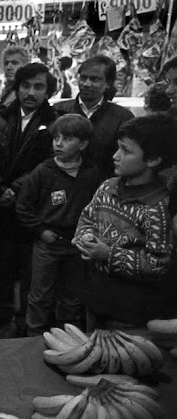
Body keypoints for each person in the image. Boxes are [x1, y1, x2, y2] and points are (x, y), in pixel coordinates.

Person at [72, 115, 176, 329]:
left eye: (126, 151)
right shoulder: (107, 187)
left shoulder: (157, 208)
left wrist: (107, 254)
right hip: (96, 294)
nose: (115, 156)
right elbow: (88, 218)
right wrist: (86, 238)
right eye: (117, 148)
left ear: (153, 160)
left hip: (130, 309)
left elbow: (159, 265)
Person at [0, 63, 58, 332]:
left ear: (48, 91)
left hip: (32, 207)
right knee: (0, 263)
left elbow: (49, 163)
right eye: (25, 85)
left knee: (29, 269)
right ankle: (3, 310)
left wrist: (16, 189)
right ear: (17, 87)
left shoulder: (54, 122)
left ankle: (24, 320)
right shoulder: (0, 117)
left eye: (38, 86)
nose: (30, 92)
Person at [16, 114, 102, 336]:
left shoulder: (91, 174)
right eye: (56, 137)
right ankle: (33, 337)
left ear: (82, 144)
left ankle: (69, 340)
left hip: (77, 246)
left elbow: (98, 209)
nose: (58, 143)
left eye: (67, 139)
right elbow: (23, 206)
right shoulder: (43, 172)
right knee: (40, 296)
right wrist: (41, 231)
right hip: (48, 245)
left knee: (72, 298)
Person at [54, 55, 134, 178]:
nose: (86, 84)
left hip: (103, 187)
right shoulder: (59, 111)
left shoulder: (122, 118)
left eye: (94, 79)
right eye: (83, 78)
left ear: (108, 83)